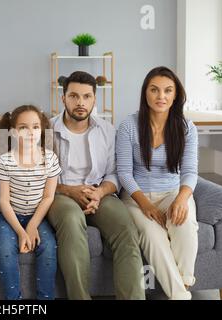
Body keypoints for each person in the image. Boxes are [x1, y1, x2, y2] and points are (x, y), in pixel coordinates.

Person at [48, 71, 145, 300]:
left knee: (126, 228)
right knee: (72, 222)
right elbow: (39, 176)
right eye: (73, 96)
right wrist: (70, 191)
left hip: (98, 192)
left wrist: (99, 193)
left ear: (94, 99)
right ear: (63, 99)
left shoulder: (108, 130)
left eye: (86, 96)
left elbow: (115, 173)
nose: (80, 103)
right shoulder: (46, 130)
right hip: (61, 194)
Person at [116, 66, 198, 300]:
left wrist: (182, 199)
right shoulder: (128, 126)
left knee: (185, 224)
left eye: (167, 91)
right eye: (154, 90)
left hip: (173, 191)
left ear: (175, 95)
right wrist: (146, 205)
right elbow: (124, 173)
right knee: (153, 236)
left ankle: (183, 284)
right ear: (145, 94)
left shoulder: (186, 128)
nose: (161, 96)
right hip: (136, 197)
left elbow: (191, 171)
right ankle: (181, 296)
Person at [0, 105, 60, 300]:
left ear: (42, 130)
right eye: (23, 127)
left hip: (37, 216)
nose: (31, 132)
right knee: (5, 251)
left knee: (48, 249)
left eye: (35, 127)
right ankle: (14, 300)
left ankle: (45, 299)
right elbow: (3, 201)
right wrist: (21, 231)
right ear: (12, 132)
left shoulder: (50, 159)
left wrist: (32, 226)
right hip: (8, 216)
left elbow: (48, 197)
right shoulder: (6, 160)